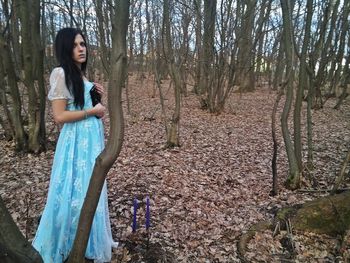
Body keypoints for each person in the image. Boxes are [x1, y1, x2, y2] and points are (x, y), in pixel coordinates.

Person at [32, 28, 117, 263]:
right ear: (65, 49)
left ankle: (85, 240)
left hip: (91, 142)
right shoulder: (60, 73)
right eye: (75, 45)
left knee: (87, 190)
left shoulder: (84, 78)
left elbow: (96, 114)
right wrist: (92, 110)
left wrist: (98, 97)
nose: (81, 49)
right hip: (75, 143)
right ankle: (67, 243)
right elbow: (59, 116)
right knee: (72, 190)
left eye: (83, 44)